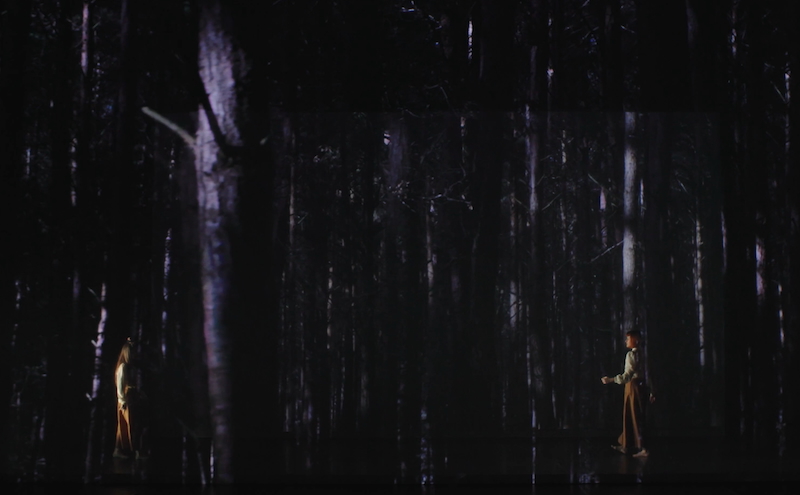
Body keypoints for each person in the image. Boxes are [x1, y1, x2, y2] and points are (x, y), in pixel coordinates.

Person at [601, 330, 655, 458]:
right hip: (639, 387)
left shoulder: (632, 355)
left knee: (635, 416)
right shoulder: (643, 355)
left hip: (633, 387)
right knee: (631, 415)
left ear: (636, 340)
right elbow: (648, 374)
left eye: (628, 339)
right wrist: (652, 391)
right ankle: (626, 445)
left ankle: (643, 448)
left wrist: (611, 380)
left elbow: (627, 376)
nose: (626, 341)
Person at [113, 337, 145, 459]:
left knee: (129, 424)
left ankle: (127, 450)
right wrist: (122, 400)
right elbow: (120, 385)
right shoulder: (123, 367)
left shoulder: (129, 367)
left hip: (131, 397)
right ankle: (126, 450)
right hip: (126, 399)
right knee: (127, 425)